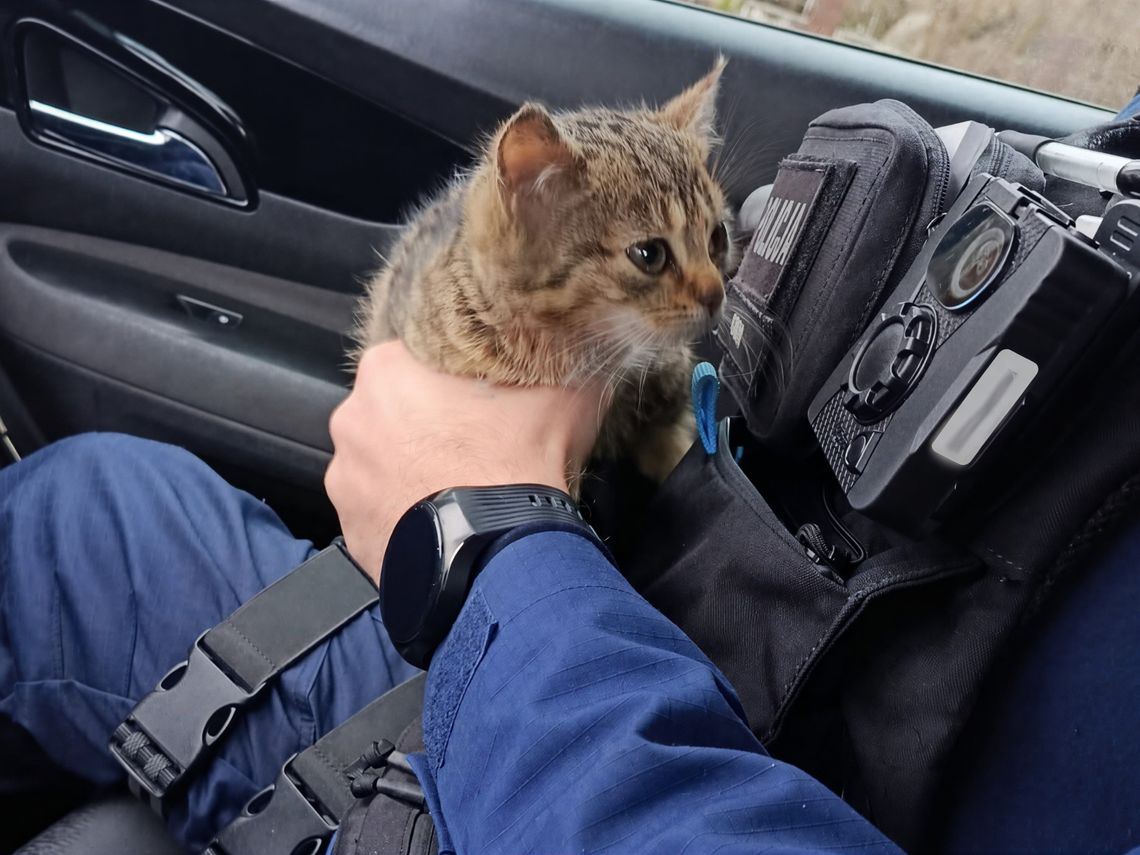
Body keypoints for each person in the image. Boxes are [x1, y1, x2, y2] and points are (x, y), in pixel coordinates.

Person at [0, 341, 1137, 853]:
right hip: (723, 733)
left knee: (73, 531)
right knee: (104, 496)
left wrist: (488, 546)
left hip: (601, 791)